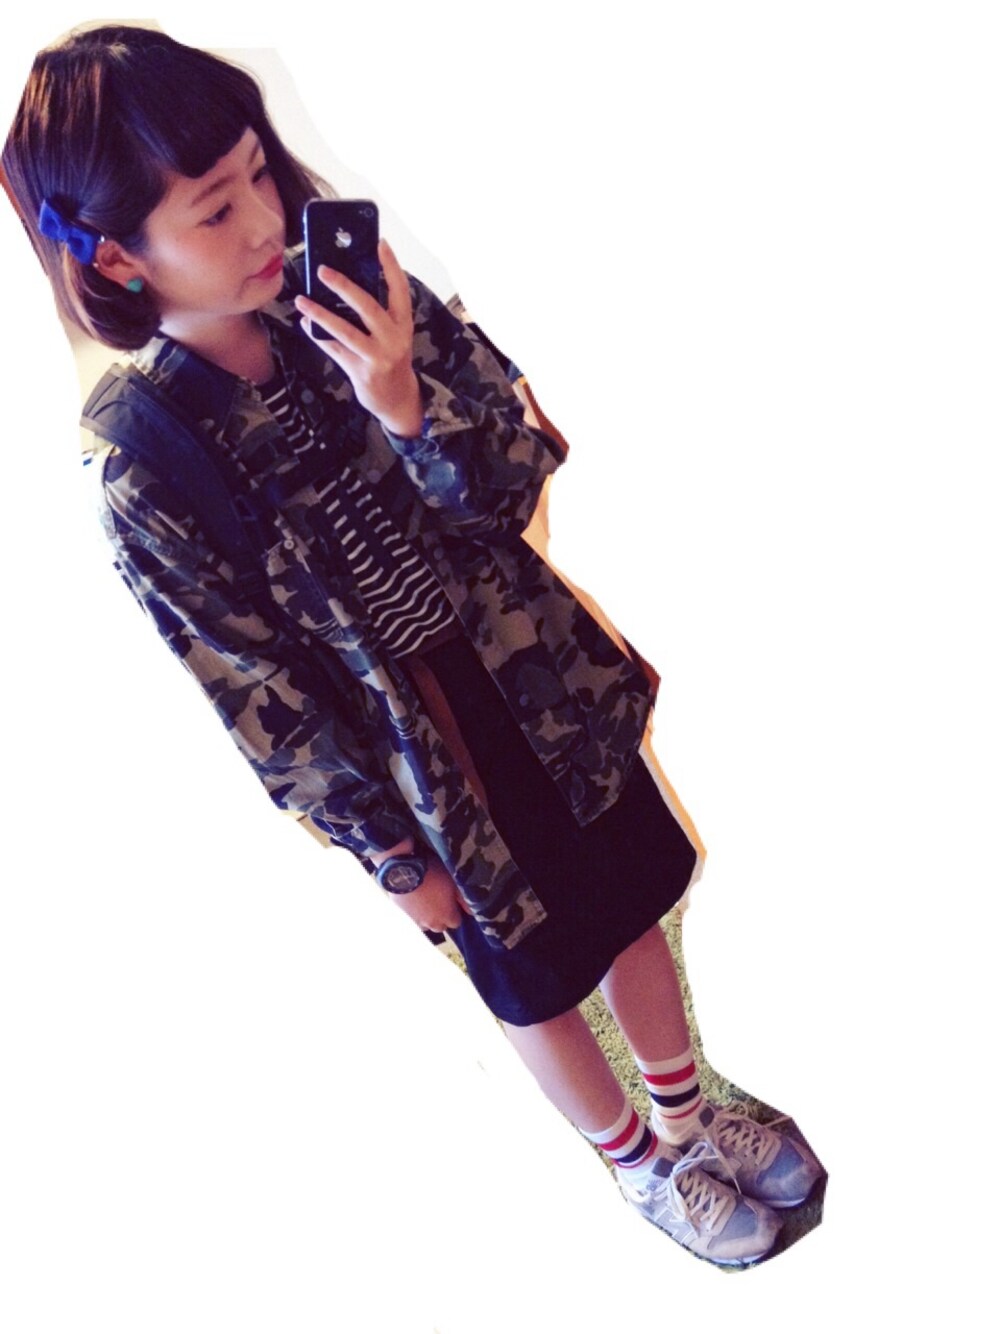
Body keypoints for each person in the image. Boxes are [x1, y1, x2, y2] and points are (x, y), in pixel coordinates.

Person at [3, 23, 821, 1267]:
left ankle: (684, 1110)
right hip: (422, 765)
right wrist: (390, 855)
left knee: (630, 897)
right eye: (215, 208)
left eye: (257, 172)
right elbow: (253, 693)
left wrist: (402, 399)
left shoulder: (354, 293)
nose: (265, 220)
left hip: (533, 673)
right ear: (116, 254)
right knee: (530, 975)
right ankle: (641, 1166)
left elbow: (512, 476)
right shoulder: (143, 460)